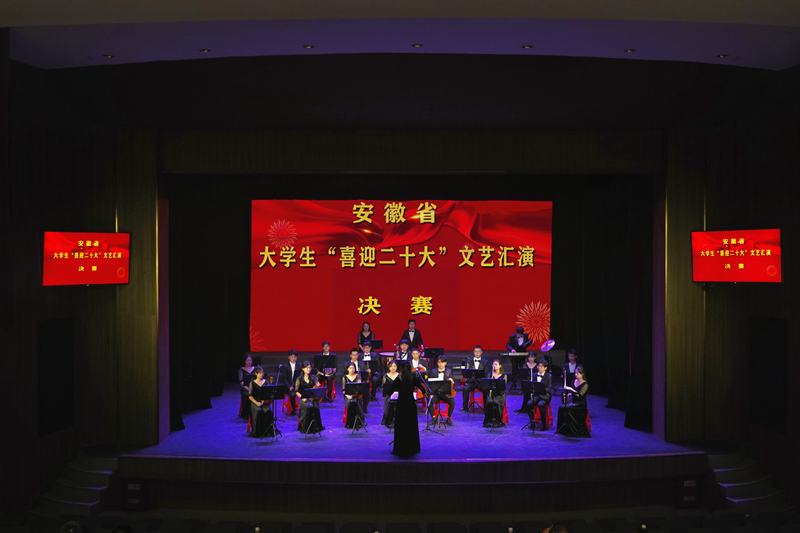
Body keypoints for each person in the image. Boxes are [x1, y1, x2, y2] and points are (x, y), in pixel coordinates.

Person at [388, 361, 425, 457]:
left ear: (401, 369)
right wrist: (425, 394)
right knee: (411, 425)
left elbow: (391, 390)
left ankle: (400, 448)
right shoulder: (413, 379)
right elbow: (423, 389)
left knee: (401, 425)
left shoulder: (398, 379)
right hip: (410, 404)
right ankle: (413, 448)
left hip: (401, 404)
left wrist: (386, 398)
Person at [556, 365, 591, 437]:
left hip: (580, 403)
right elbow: (572, 394)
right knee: (561, 407)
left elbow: (580, 396)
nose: (576, 374)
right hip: (573, 401)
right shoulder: (573, 381)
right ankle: (563, 429)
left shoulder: (585, 384)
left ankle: (571, 430)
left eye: (578, 373)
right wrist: (568, 395)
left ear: (582, 374)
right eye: (575, 373)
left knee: (568, 408)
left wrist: (571, 390)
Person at [295, 360, 323, 433]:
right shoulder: (299, 379)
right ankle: (305, 427)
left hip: (312, 398)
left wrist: (318, 385)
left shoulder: (313, 377)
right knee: (308, 407)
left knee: (315, 406)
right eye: (307, 368)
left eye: (310, 367)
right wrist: (302, 397)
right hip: (304, 398)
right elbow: (296, 391)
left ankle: (316, 427)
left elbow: (317, 387)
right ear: (303, 369)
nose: (309, 369)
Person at [426, 355, 455, 425]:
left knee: (452, 402)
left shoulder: (449, 371)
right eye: (439, 362)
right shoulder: (433, 371)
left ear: (445, 363)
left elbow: (452, 385)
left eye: (442, 362)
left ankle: (448, 418)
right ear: (437, 363)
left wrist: (452, 382)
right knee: (429, 401)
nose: (440, 364)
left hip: (446, 394)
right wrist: (431, 393)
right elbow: (430, 383)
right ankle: (433, 418)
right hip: (436, 393)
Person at [247, 366, 275, 437]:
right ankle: (258, 432)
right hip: (255, 402)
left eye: (262, 373)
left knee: (269, 411)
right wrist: (257, 403)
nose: (261, 374)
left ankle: (268, 431)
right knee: (258, 411)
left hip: (264, 402)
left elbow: (269, 393)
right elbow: (250, 396)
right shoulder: (252, 383)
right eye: (259, 373)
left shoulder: (266, 382)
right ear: (256, 374)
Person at [526, 358, 552, 430]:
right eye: (538, 366)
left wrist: (540, 389)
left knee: (540, 404)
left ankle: (544, 424)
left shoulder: (549, 376)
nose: (539, 368)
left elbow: (549, 388)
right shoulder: (534, 375)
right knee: (529, 403)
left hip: (545, 396)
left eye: (541, 366)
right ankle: (532, 423)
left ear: (545, 368)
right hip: (537, 396)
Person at [461, 345, 490, 411]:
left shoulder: (485, 362)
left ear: (481, 352)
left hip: (481, 382)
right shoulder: (469, 361)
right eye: (475, 351)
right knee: (465, 389)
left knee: (486, 389)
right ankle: (465, 407)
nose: (477, 353)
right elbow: (467, 373)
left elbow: (486, 373)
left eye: (478, 352)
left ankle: (486, 408)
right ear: (473, 352)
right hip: (471, 382)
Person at [483, 359, 508, 428]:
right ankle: (488, 421)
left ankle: (498, 421)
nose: (494, 366)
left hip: (500, 394)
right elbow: (486, 386)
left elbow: (503, 387)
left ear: (500, 366)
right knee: (489, 402)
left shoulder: (504, 376)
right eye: (493, 364)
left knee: (497, 403)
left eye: (496, 364)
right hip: (492, 393)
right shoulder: (490, 375)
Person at [342, 362, 366, 429]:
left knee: (357, 403)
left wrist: (360, 383)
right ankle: (350, 423)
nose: (352, 370)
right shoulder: (344, 377)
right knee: (350, 403)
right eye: (350, 368)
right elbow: (343, 390)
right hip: (348, 395)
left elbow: (360, 388)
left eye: (353, 368)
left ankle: (360, 421)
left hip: (356, 395)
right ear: (347, 369)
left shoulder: (358, 376)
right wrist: (348, 396)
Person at [347, 348, 370, 413]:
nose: (355, 356)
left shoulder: (362, 364)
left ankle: (364, 408)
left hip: (360, 383)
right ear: (350, 355)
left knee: (367, 392)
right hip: (351, 384)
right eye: (353, 355)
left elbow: (365, 375)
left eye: (356, 355)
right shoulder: (347, 364)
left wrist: (367, 371)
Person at [279, 349, 302, 415]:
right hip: (289, 386)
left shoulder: (300, 365)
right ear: (289, 357)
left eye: (295, 357)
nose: (293, 358)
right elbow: (284, 379)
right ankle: (293, 409)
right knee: (292, 394)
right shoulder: (285, 366)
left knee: (304, 392)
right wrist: (289, 386)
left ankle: (302, 408)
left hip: (297, 385)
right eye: (292, 357)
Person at [381, 359, 400, 426]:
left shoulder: (399, 376)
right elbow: (383, 387)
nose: (393, 368)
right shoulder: (385, 376)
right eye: (391, 366)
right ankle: (388, 421)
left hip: (398, 394)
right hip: (388, 395)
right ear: (389, 367)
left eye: (394, 366)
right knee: (388, 402)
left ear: (397, 367)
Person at [238, 354, 256, 419]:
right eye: (247, 360)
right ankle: (246, 414)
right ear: (245, 361)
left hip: (254, 387)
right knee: (247, 395)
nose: (249, 362)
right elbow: (241, 381)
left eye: (250, 360)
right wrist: (247, 388)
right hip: (245, 388)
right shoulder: (241, 370)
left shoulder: (255, 369)